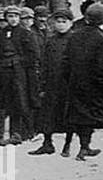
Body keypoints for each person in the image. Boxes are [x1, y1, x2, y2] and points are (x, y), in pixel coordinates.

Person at [61, 3, 103, 161]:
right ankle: (84, 148)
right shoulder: (101, 38)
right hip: (93, 85)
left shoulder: (74, 35)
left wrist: (70, 79)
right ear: (102, 20)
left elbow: (65, 61)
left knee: (75, 114)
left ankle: (68, 146)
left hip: (75, 82)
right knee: (89, 116)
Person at [0, 5, 39, 146]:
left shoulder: (26, 33)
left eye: (16, 16)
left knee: (19, 102)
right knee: (4, 102)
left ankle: (18, 133)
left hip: (20, 73)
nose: (13, 19)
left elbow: (33, 55)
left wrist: (19, 62)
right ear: (6, 18)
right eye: (10, 16)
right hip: (3, 72)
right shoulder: (1, 33)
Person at [30, 10, 75, 156]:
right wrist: (42, 84)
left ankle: (67, 145)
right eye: (58, 22)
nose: (61, 25)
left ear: (70, 23)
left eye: (64, 22)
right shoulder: (51, 41)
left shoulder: (75, 40)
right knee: (47, 115)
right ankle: (47, 143)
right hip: (52, 83)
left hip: (68, 84)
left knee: (68, 115)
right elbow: (45, 63)